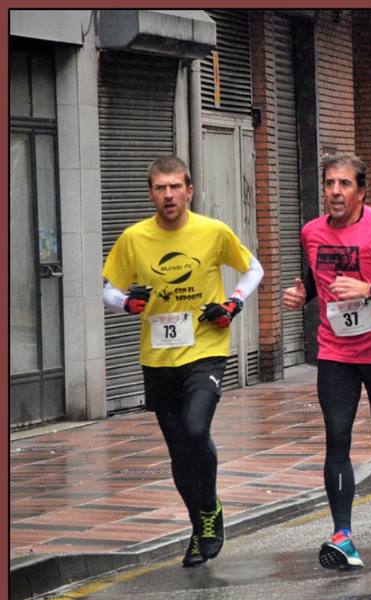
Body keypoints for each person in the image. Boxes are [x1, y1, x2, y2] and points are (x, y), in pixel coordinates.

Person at [102, 156, 264, 568]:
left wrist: (233, 303)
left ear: (189, 191)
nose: (168, 195)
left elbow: (253, 269)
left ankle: (209, 511)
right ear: (151, 193)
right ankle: (198, 526)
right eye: (160, 188)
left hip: (205, 348)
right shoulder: (134, 238)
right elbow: (109, 290)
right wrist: (126, 303)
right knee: (178, 449)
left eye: (175, 187)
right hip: (157, 356)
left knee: (196, 429)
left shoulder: (212, 232)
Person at [282, 153, 371, 571]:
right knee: (337, 434)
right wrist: (300, 296)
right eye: (329, 183)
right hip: (335, 353)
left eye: (344, 184)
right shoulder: (311, 233)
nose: (335, 192)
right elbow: (316, 283)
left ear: (361, 192)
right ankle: (342, 534)